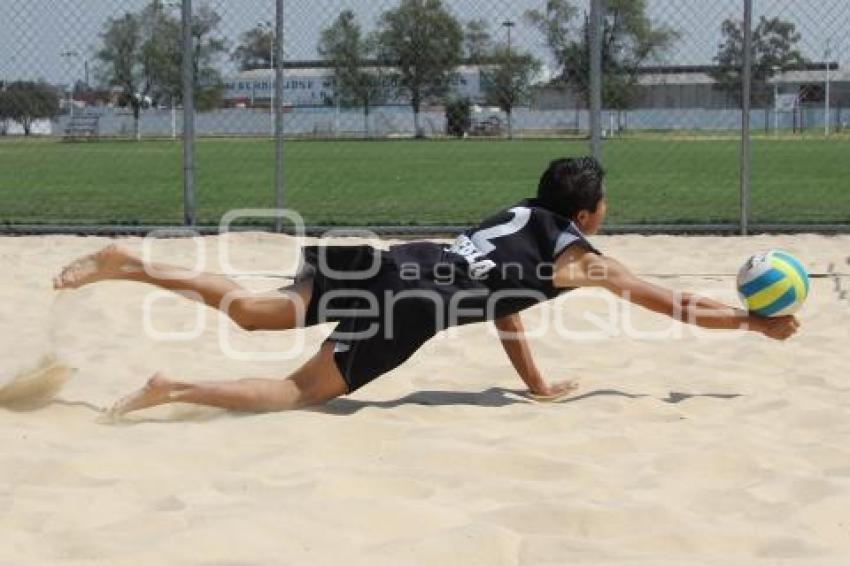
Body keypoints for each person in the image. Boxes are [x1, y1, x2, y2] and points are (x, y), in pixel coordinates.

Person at [53, 157, 799, 417]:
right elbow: (675, 304)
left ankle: (133, 262)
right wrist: (750, 322)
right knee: (298, 392)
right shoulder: (583, 261)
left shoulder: (515, 215)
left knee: (255, 310)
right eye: (604, 203)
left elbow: (506, 307)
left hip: (397, 259)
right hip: (412, 308)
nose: (608, 212)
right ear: (584, 213)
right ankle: (171, 387)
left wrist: (535, 382)